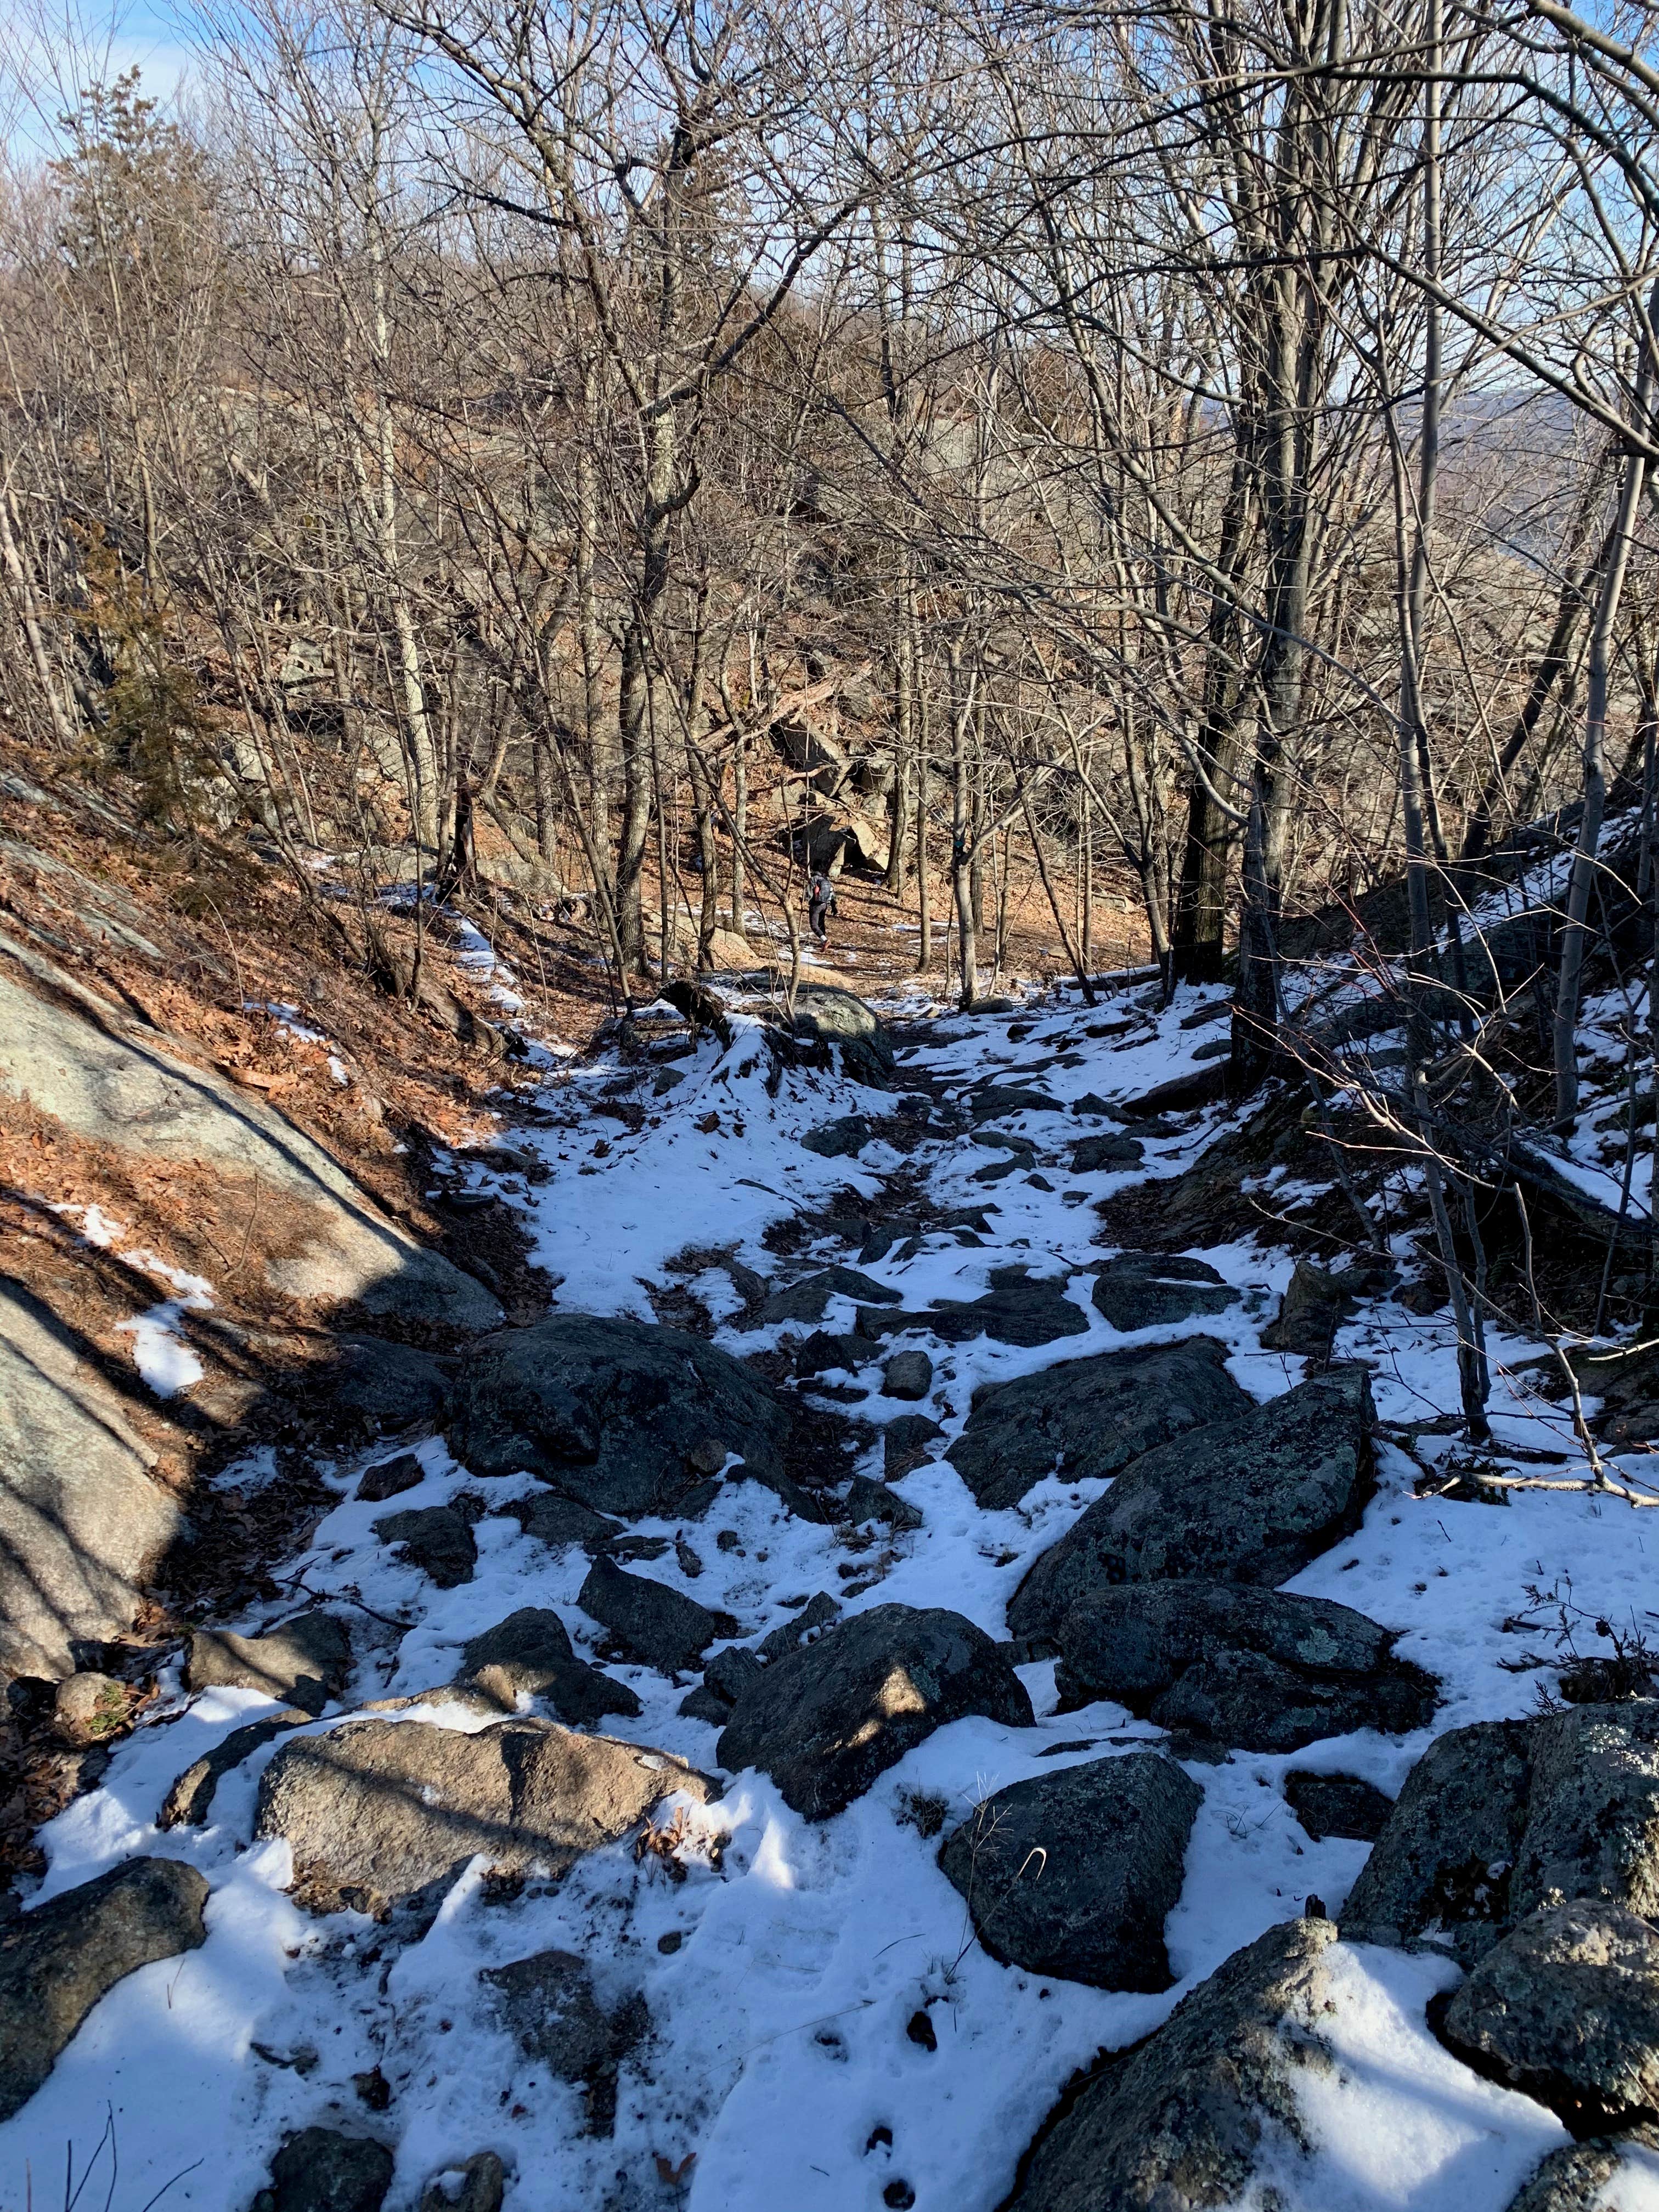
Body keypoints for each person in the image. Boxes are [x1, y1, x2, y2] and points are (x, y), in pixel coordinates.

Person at [807, 869, 837, 944]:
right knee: (821, 923)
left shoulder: (813, 880)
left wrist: (805, 900)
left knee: (814, 925)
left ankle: (825, 940)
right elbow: (833, 894)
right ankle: (823, 942)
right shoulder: (826, 880)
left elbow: (809, 894)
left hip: (816, 906)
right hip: (824, 905)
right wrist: (834, 907)